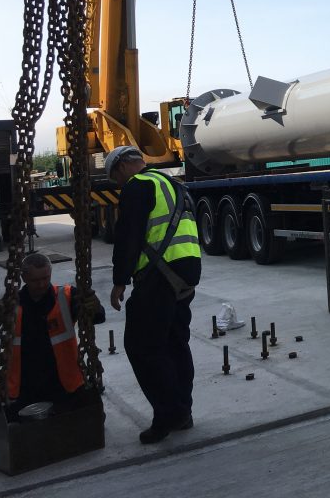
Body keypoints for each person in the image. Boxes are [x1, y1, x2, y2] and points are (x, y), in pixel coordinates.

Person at [106, 145, 202, 445]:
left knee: (142, 347)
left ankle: (165, 416)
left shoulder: (138, 186)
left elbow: (128, 236)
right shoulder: (173, 184)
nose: (118, 184)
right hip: (185, 273)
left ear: (122, 166)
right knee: (175, 343)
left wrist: (119, 281)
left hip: (158, 276)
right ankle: (183, 413)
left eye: (115, 178)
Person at [0, 253, 105, 450]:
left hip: (64, 386)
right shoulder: (11, 304)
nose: (41, 284)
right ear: (24, 278)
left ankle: (42, 427)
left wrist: (95, 306)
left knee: (95, 420)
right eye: (35, 280)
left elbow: (98, 317)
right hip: (24, 390)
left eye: (45, 278)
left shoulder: (66, 296)